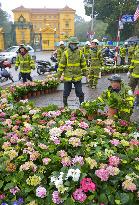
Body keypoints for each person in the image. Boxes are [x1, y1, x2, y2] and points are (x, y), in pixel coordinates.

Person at [57, 36, 87, 107]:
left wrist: (86, 73)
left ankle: (82, 104)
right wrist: (59, 75)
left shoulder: (80, 53)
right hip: (68, 77)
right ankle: (65, 104)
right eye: (72, 44)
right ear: (69, 44)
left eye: (75, 44)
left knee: (79, 92)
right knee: (66, 92)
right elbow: (61, 65)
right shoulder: (66, 53)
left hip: (77, 76)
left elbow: (83, 64)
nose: (74, 45)